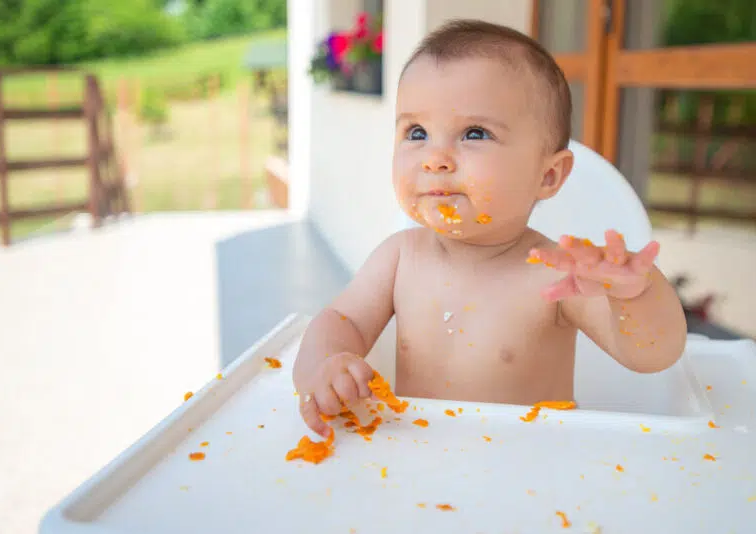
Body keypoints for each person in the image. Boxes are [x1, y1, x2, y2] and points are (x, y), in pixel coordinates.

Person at [292, 19, 687, 437]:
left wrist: (634, 295)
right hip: (418, 467)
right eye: (417, 132)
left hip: (531, 475)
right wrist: (324, 366)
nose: (435, 158)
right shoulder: (398, 258)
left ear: (548, 176)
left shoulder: (554, 275)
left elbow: (652, 356)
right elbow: (340, 321)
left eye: (474, 133)